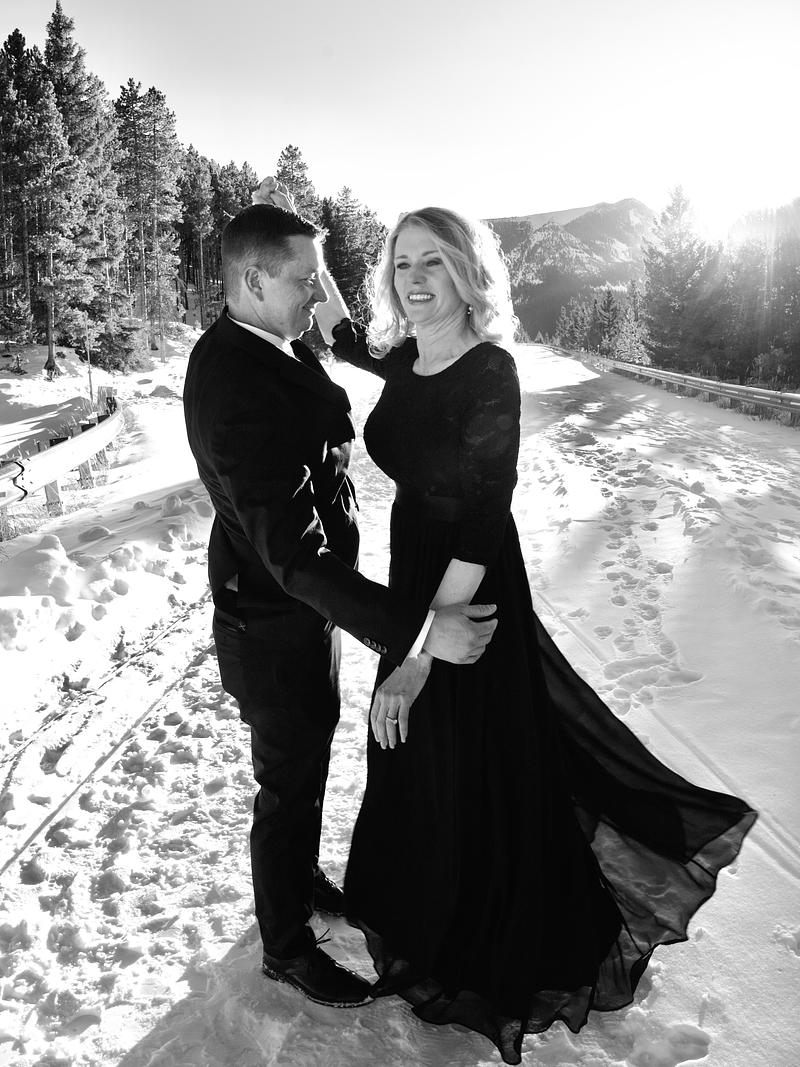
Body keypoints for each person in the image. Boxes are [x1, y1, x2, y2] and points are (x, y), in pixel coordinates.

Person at [306, 202, 757, 1065]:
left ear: (468, 272)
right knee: (419, 749)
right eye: (403, 263)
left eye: (434, 262)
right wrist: (316, 260)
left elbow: (484, 516)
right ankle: (420, 903)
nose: (415, 279)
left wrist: (421, 651)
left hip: (468, 582)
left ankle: (478, 931)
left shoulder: (490, 370)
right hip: (416, 572)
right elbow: (348, 339)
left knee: (466, 742)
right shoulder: (408, 354)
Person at [182, 200, 498, 1009]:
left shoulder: (266, 337)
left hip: (302, 612)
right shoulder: (236, 384)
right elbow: (294, 554)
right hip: (271, 615)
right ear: (255, 280)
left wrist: (339, 323)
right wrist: (419, 631)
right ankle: (285, 946)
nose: (316, 294)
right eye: (305, 280)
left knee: (310, 754)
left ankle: (299, 876)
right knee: (286, 782)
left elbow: (360, 356)